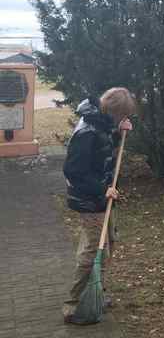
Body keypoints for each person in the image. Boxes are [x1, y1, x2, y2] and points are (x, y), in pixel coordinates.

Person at [62, 87, 135, 324]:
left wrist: (120, 133)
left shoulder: (103, 124)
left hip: (103, 197)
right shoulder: (87, 131)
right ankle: (73, 304)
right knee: (93, 250)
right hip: (89, 199)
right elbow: (73, 171)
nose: (122, 119)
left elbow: (103, 150)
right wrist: (102, 188)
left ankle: (95, 292)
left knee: (107, 245)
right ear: (112, 111)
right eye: (121, 115)